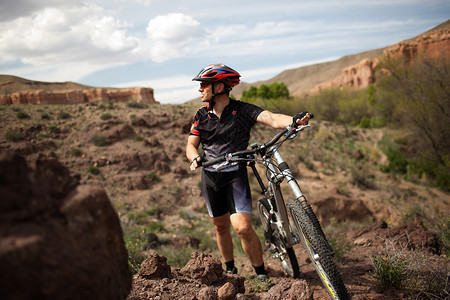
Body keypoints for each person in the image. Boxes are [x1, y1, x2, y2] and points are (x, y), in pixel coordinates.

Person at [185, 63, 310, 280]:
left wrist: (293, 121)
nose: (200, 89)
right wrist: (194, 156)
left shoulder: (242, 110)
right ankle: (230, 269)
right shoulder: (201, 114)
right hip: (210, 177)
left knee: (242, 228)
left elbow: (270, 118)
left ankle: (260, 272)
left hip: (235, 175)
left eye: (204, 84)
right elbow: (191, 144)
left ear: (220, 87)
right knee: (220, 227)